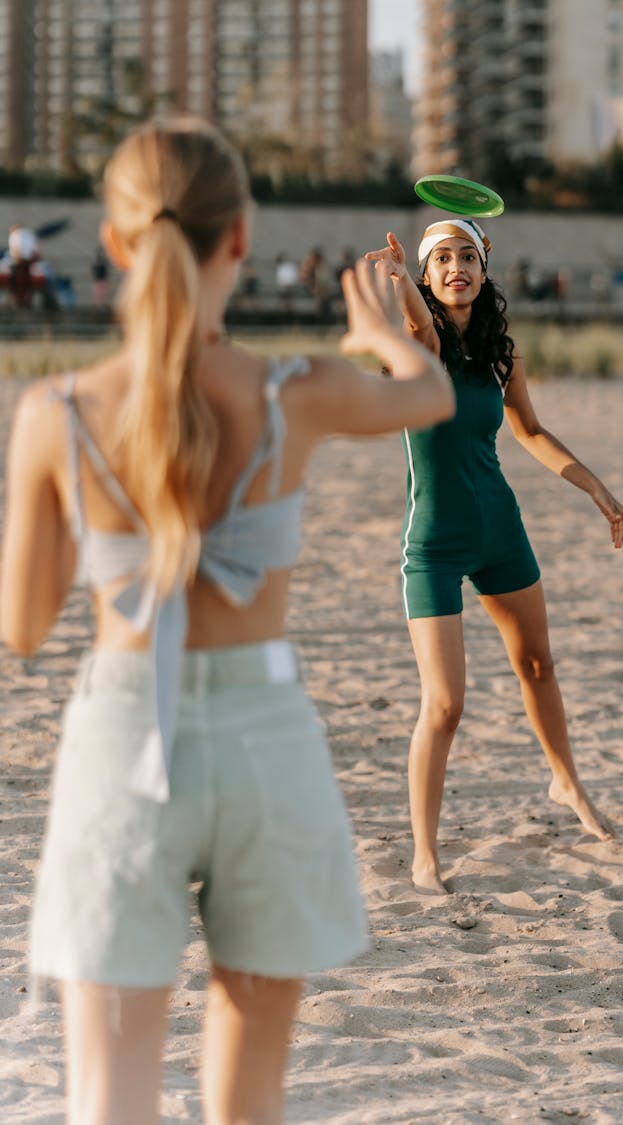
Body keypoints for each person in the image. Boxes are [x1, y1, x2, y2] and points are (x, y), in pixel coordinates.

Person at [0, 117, 454, 1124]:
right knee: (250, 1105)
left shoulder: (57, 415)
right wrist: (382, 333)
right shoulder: (293, 393)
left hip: (124, 742)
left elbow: (23, 628)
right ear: (240, 240)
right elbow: (429, 396)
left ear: (114, 245)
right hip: (266, 747)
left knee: (107, 1098)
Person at [365, 221, 623, 894]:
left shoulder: (500, 356)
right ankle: (425, 856)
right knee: (445, 706)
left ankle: (566, 781)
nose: (456, 266)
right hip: (432, 543)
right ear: (429, 278)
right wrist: (401, 285)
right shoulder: (418, 347)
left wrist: (597, 489)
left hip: (500, 530)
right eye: (442, 260)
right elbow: (419, 330)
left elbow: (532, 431)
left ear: (483, 272)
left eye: (467, 256)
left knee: (539, 664)